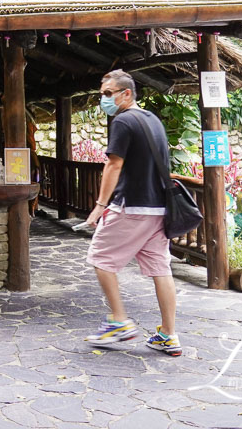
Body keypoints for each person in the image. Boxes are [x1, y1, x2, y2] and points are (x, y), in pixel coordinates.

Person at [83, 69, 181, 356]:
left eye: (108, 94)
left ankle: (118, 321)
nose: (104, 99)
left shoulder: (124, 121)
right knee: (161, 269)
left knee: (101, 258)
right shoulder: (152, 120)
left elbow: (113, 165)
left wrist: (100, 206)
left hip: (132, 206)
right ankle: (168, 334)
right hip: (158, 208)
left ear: (126, 94)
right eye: (102, 95)